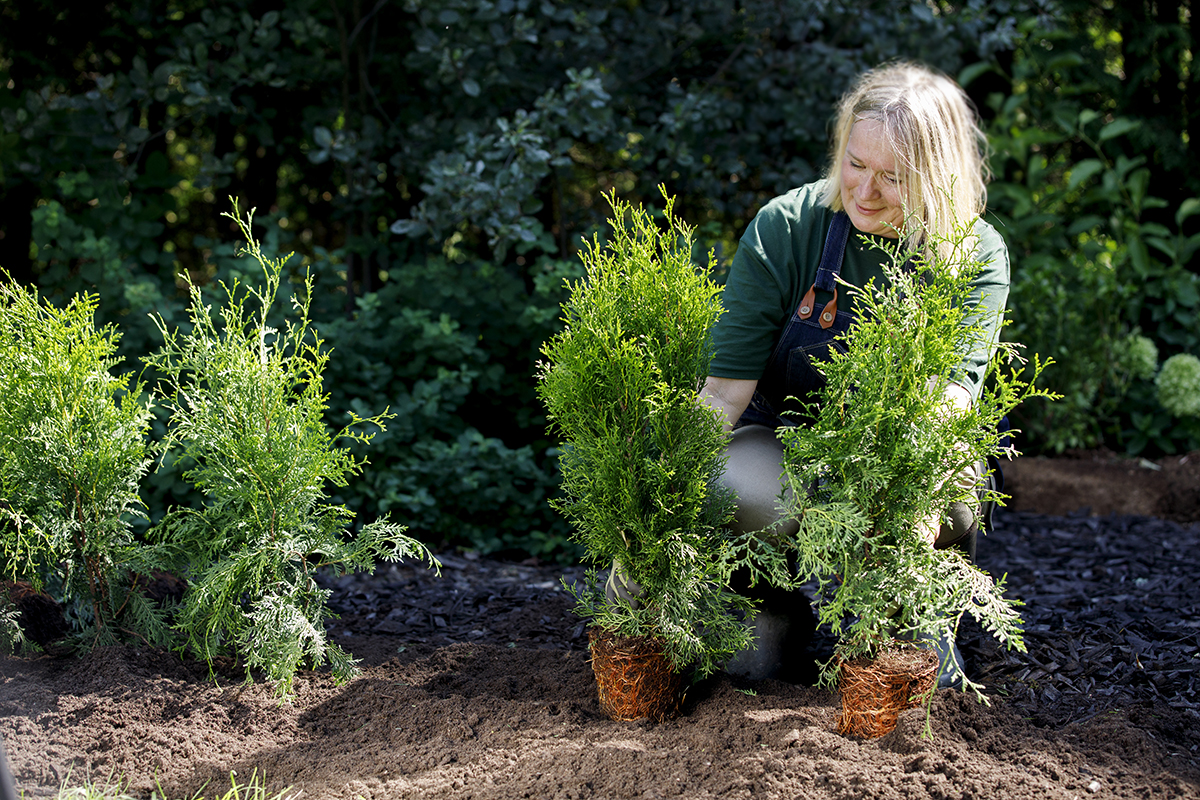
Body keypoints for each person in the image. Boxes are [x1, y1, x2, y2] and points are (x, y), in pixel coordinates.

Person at [700, 61, 1010, 684]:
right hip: (781, 454)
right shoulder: (786, 229)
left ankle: (907, 621)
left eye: (893, 178)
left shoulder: (975, 254)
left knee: (954, 483)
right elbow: (724, 393)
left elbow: (947, 399)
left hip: (893, 462)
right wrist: (659, 496)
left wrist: (902, 507)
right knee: (728, 482)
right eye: (855, 165)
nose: (865, 192)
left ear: (937, 178)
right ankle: (771, 612)